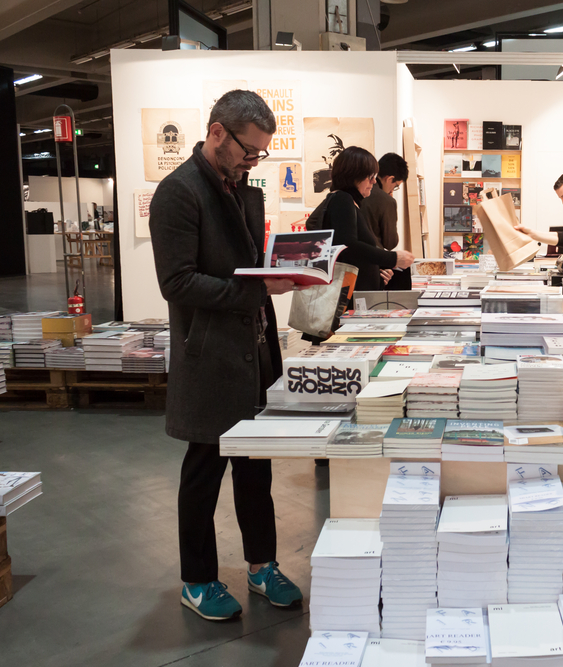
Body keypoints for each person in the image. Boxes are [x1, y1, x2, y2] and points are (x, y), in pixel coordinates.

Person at [149, 89, 303, 622]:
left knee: (255, 464)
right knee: (204, 469)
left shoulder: (242, 188)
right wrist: (259, 291)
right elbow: (177, 282)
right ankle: (197, 580)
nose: (252, 161)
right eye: (247, 150)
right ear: (217, 132)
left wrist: (283, 265)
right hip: (209, 353)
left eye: (260, 153)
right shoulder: (179, 193)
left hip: (253, 348)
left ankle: (262, 565)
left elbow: (244, 263)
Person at [319, 146, 414, 295]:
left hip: (360, 292)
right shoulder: (342, 199)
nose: (374, 181)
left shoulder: (350, 201)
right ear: (353, 176)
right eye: (369, 177)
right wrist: (392, 258)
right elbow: (349, 247)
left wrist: (379, 268)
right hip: (349, 295)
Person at [359, 152, 412, 290]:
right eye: (396, 186)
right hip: (375, 267)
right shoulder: (386, 201)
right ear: (390, 179)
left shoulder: (353, 196)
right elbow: (390, 243)